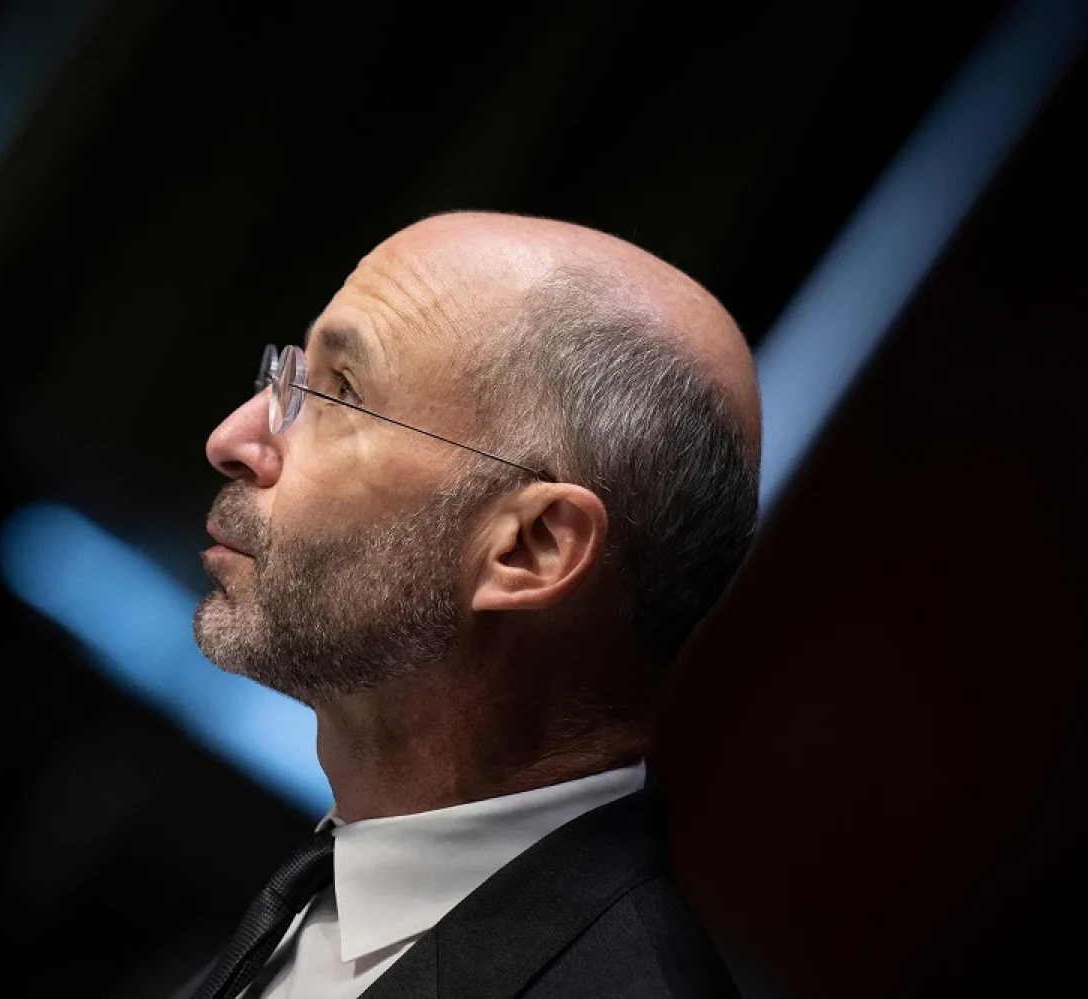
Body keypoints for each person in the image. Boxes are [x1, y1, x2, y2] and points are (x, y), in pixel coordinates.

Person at [185, 211, 759, 998]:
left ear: (532, 548)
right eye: (291, 375)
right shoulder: (312, 898)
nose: (234, 437)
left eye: (342, 392)